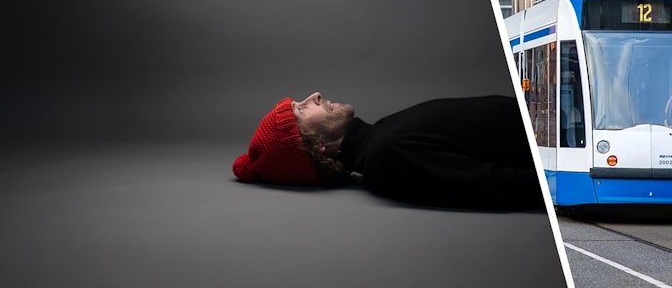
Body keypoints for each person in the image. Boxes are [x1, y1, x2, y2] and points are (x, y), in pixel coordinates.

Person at [233, 92, 544, 211]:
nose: (313, 95)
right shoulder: (388, 157)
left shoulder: (381, 136)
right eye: (301, 110)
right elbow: (495, 185)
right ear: (316, 146)